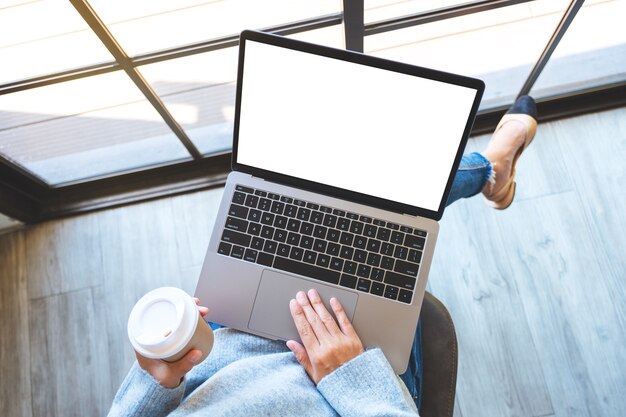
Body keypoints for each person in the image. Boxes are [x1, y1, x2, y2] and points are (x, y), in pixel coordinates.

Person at [107, 96, 538, 417]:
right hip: (348, 377)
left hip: (222, 350)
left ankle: (485, 171)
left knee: (309, 193)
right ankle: (488, 170)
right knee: (381, 203)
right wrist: (347, 378)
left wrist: (154, 385)